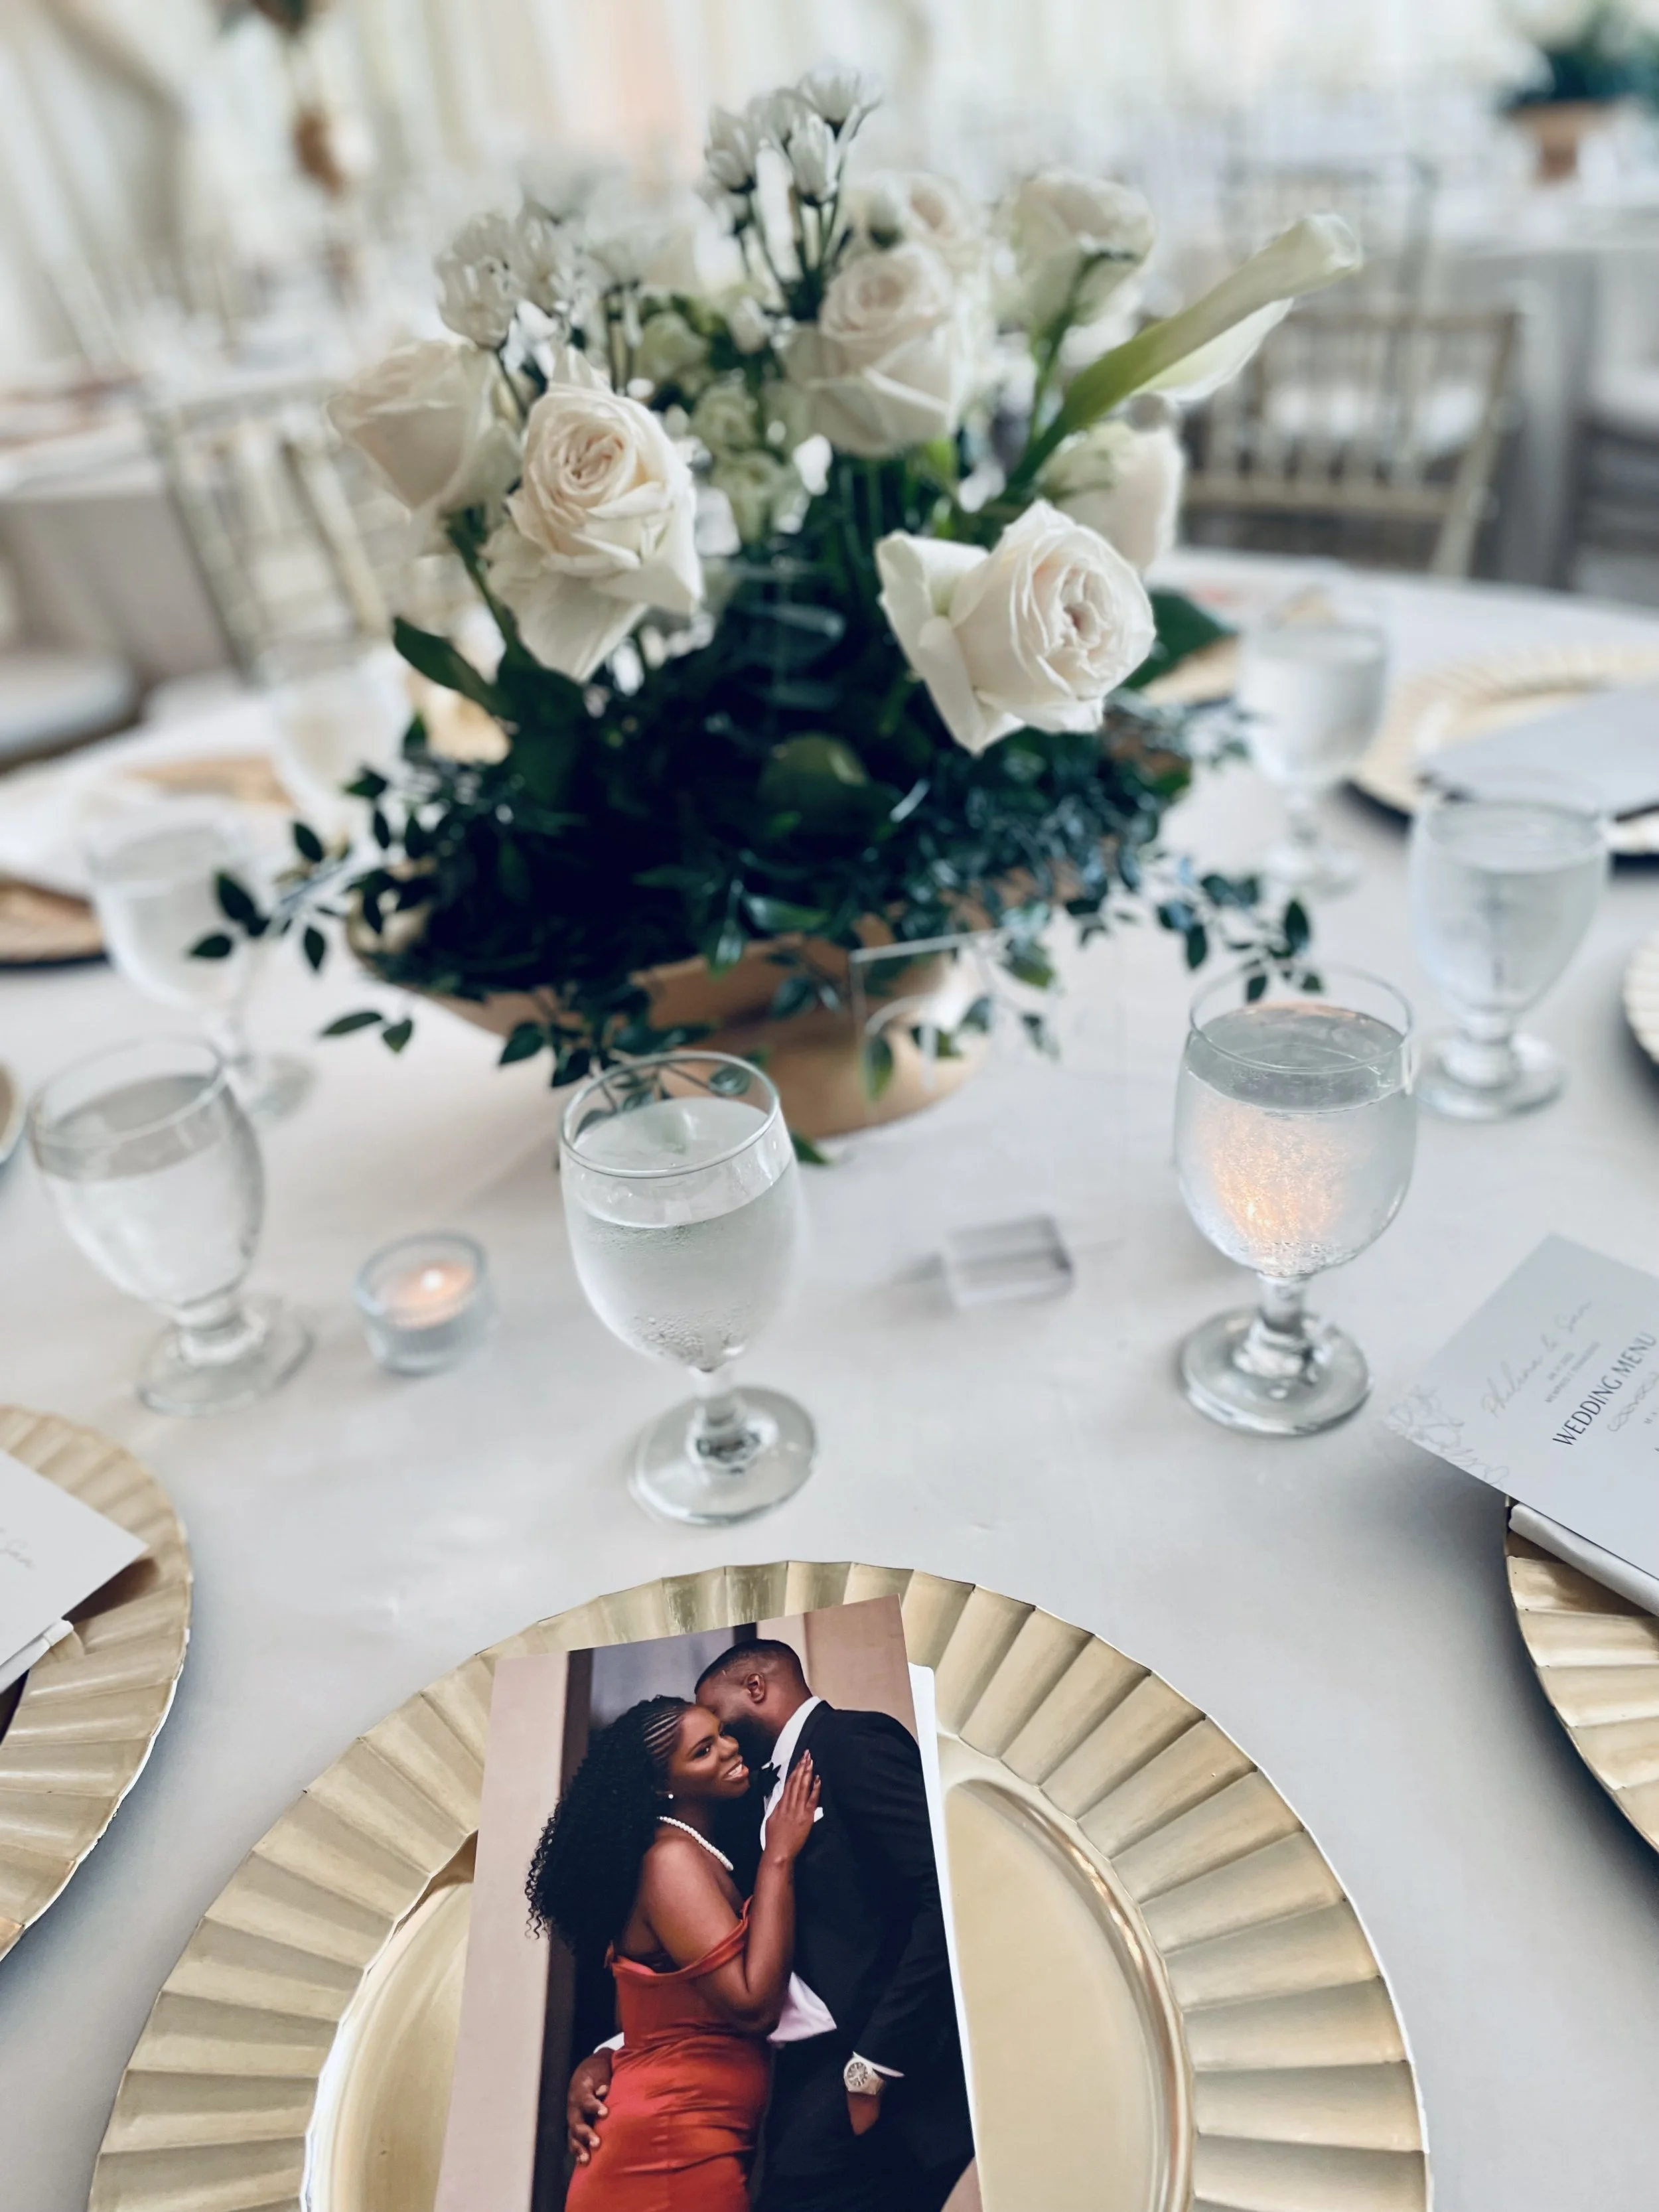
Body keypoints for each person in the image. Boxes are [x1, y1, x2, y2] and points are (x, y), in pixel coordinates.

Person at [568, 1643, 975, 2212]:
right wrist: (610, 2053)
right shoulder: (729, 1815)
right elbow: (692, 1966)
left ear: (755, 1688)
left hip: (873, 2067)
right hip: (786, 2087)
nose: (727, 1745)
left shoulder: (852, 1743)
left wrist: (876, 2065)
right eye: (704, 1746)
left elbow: (946, 1896)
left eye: (718, 1722)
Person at [528, 1692, 821, 2211]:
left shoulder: (701, 1851)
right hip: (666, 2148)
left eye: (722, 1733)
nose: (730, 1748)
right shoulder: (670, 1862)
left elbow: (646, 2017)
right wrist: (779, 1856)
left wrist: (603, 2057)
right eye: (703, 1751)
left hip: (696, 2133)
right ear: (664, 1785)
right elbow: (752, 2005)